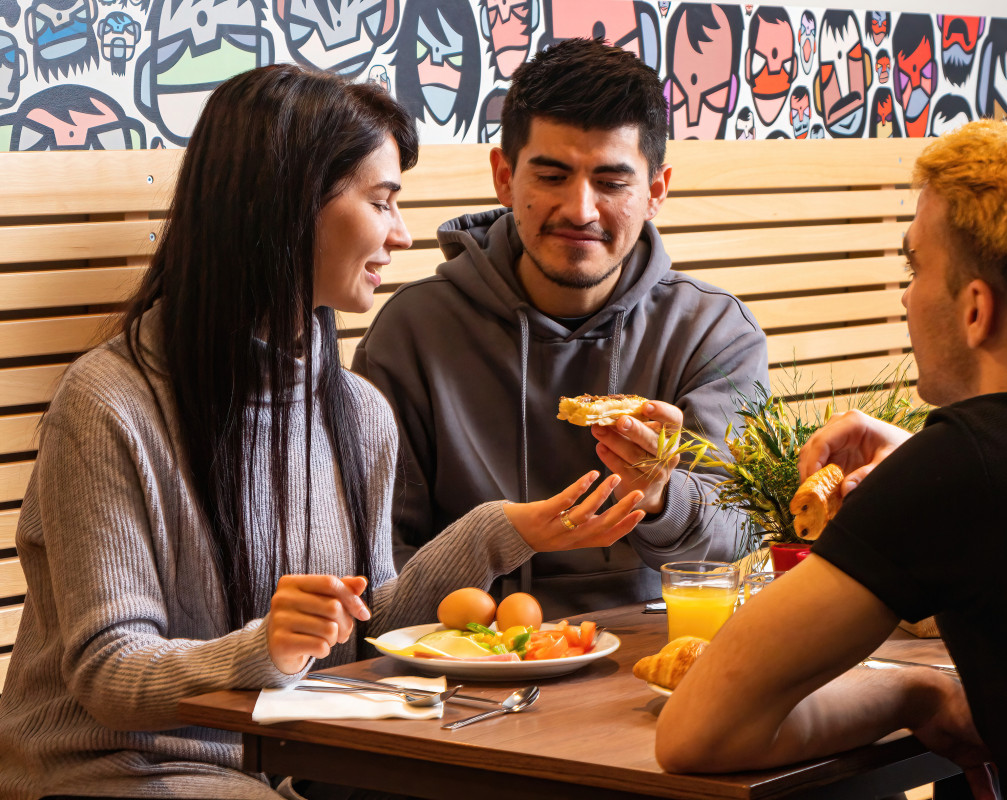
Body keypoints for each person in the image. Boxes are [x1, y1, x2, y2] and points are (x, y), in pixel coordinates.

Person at [0, 65, 642, 800]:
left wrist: (505, 531)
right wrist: (261, 647)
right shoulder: (109, 405)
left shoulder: (357, 411)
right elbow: (109, 675)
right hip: (103, 769)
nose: (401, 235)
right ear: (286, 206)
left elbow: (367, 627)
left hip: (279, 761)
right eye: (380, 201)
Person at [657, 120, 1007, 798]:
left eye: (916, 267)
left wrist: (917, 694)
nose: (907, 296)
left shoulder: (964, 470)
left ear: (977, 310)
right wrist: (924, 464)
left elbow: (697, 732)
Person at [353, 38, 769, 618]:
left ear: (656, 191)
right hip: (467, 660)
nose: (580, 210)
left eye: (612, 182)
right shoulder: (412, 333)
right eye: (551, 176)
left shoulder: (714, 332)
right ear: (504, 177)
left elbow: (744, 540)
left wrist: (659, 497)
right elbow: (378, 562)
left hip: (651, 656)